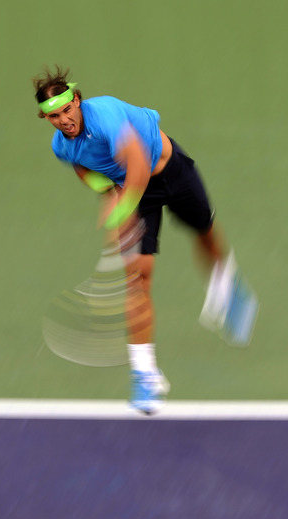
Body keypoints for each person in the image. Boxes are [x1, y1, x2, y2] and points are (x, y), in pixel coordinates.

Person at [33, 66, 257, 413]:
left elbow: (136, 164)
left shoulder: (104, 114)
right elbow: (86, 171)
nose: (63, 120)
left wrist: (121, 212)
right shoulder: (62, 147)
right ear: (45, 118)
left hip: (171, 172)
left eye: (66, 110)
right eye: (53, 116)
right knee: (137, 279)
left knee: (205, 234)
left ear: (77, 100)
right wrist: (108, 195)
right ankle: (145, 374)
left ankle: (226, 283)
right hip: (133, 193)